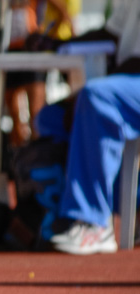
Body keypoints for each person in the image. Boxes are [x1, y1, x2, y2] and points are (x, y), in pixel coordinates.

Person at [31, 0, 140, 254]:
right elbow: (109, 34)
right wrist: (58, 44)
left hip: (131, 80)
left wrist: (85, 96)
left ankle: (93, 221)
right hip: (128, 82)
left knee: (96, 99)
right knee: (50, 117)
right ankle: (132, 205)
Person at [0, 0, 70, 147]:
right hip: (10, 53)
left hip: (32, 53)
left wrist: (47, 37)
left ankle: (38, 161)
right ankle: (20, 161)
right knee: (14, 116)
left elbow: (62, 12)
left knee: (36, 114)